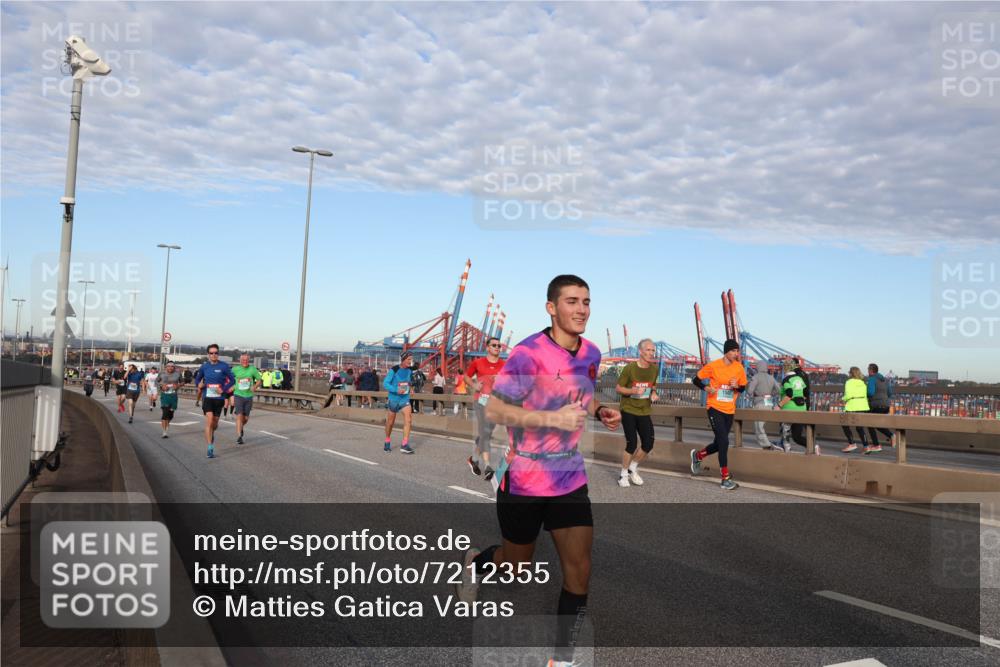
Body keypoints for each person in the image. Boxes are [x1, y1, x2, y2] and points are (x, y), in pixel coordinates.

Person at [458, 274, 621, 667]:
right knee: (515, 567)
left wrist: (598, 409)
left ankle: (561, 660)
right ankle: (480, 563)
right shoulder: (528, 354)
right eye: (571, 301)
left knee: (579, 572)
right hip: (525, 477)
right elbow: (495, 410)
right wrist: (550, 417)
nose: (581, 309)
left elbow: (585, 391)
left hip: (569, 478)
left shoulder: (592, 353)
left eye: (586, 301)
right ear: (552, 307)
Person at [690, 338, 747, 490]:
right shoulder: (714, 366)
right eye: (733, 351)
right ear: (726, 351)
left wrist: (737, 387)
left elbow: (743, 388)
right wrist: (706, 388)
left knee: (719, 443)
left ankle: (698, 456)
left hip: (729, 409)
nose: (736, 354)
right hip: (714, 407)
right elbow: (695, 380)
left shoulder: (739, 368)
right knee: (725, 442)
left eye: (737, 351)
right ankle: (725, 478)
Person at [615, 338, 659, 487]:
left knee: (649, 442)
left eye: (653, 350)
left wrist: (653, 393)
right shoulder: (630, 368)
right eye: (648, 350)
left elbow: (653, 386)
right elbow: (619, 388)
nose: (651, 353)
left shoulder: (654, 369)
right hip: (628, 409)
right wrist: (633, 390)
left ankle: (632, 468)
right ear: (640, 351)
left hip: (644, 410)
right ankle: (623, 475)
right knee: (631, 443)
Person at [464, 337, 506, 481]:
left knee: (485, 433)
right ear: (487, 347)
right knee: (485, 433)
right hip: (481, 400)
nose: (497, 347)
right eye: (494, 345)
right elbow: (466, 377)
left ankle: (474, 459)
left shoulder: (504, 364)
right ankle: (488, 466)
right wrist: (474, 385)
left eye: (499, 346)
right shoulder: (478, 362)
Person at [193, 344, 235, 458]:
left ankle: (211, 433)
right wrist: (199, 384)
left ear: (218, 354)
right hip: (207, 398)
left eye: (216, 353)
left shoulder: (224, 366)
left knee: (214, 424)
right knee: (209, 420)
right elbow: (197, 379)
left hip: (219, 398)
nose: (214, 355)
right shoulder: (204, 366)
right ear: (208, 354)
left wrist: (224, 389)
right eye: (211, 353)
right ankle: (210, 447)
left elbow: (232, 380)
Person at [745, 358, 781, 449]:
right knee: (761, 426)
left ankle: (767, 445)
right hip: (769, 403)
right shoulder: (771, 377)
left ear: (757, 367)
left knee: (758, 426)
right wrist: (771, 394)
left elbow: (750, 391)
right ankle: (766, 445)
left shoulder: (755, 377)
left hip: (760, 403)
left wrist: (751, 391)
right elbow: (779, 390)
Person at [383, 353, 415, 454]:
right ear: (403, 359)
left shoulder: (410, 371)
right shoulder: (394, 369)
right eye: (409, 359)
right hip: (393, 399)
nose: (410, 362)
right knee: (390, 423)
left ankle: (404, 444)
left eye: (411, 360)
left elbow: (408, 382)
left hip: (405, 399)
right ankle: (387, 440)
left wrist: (411, 389)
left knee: (408, 419)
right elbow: (385, 384)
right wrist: (396, 390)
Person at [776, 358, 810, 451]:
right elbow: (806, 392)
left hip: (789, 409)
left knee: (785, 432)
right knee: (797, 435)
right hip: (801, 408)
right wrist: (800, 398)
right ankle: (813, 446)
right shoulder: (799, 378)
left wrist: (779, 405)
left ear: (786, 368)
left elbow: (789, 394)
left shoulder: (786, 379)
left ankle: (787, 450)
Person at [232, 353, 263, 444]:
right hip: (238, 395)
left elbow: (259, 380)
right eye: (243, 360)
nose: (245, 361)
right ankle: (239, 436)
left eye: (246, 360)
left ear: (249, 360)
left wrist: (255, 387)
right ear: (240, 360)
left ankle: (241, 427)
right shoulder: (235, 369)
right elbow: (228, 377)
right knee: (239, 416)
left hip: (248, 396)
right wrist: (231, 386)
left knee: (245, 418)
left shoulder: (252, 369)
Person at [866, 363, 895, 452]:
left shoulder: (872, 379)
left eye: (868, 369)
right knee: (876, 424)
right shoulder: (885, 380)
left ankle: (877, 445)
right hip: (886, 405)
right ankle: (891, 436)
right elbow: (890, 393)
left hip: (876, 405)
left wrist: (865, 394)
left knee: (870, 424)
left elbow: (870, 393)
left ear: (871, 370)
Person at [841, 366, 870, 453]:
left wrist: (843, 399)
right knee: (859, 427)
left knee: (844, 423)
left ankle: (852, 444)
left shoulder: (849, 382)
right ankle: (866, 446)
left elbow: (848, 395)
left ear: (851, 373)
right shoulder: (863, 383)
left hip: (853, 406)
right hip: (863, 406)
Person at [158, 361, 184, 438]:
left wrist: (178, 385)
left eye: (172, 366)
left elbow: (182, 382)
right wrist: (161, 386)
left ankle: (167, 425)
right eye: (168, 366)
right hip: (164, 395)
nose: (170, 367)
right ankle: (164, 432)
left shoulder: (178, 374)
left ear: (174, 367)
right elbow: (156, 381)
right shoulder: (162, 373)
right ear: (166, 367)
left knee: (170, 415)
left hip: (173, 396)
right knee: (165, 413)